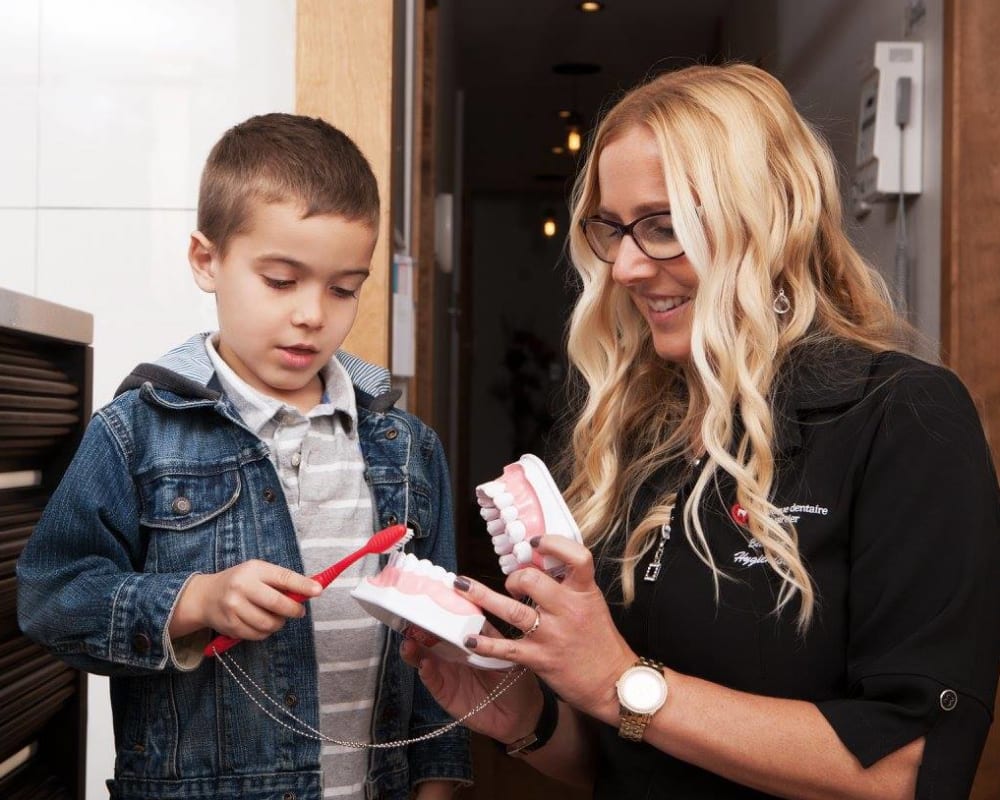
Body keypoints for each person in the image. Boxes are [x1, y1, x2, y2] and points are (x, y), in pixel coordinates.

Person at [401, 63, 1000, 799]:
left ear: (766, 220)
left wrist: (623, 682)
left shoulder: (902, 418)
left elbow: (909, 770)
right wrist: (522, 713)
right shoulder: (640, 435)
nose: (622, 266)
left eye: (662, 227)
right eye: (613, 229)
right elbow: (624, 754)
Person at [17, 113, 470, 800]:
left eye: (343, 288)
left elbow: (442, 645)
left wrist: (439, 782)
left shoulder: (407, 448)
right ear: (207, 260)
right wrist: (194, 600)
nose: (314, 314)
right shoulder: (136, 433)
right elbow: (51, 598)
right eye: (282, 281)